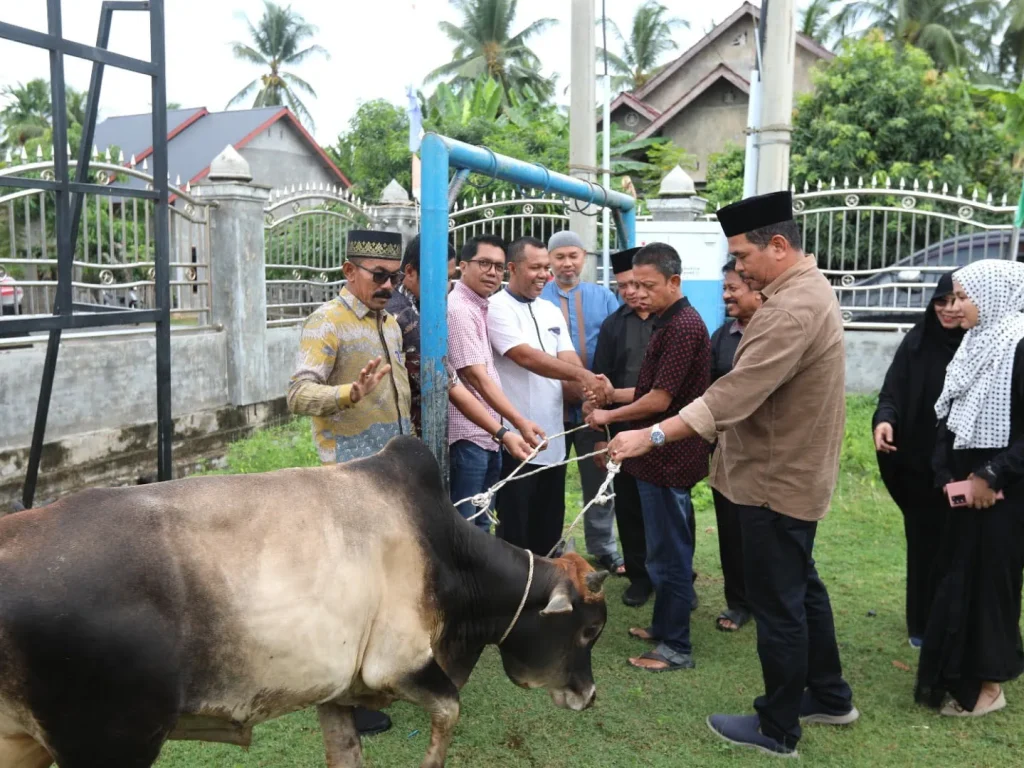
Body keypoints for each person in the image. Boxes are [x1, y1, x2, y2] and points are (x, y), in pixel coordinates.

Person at [606, 191, 857, 758]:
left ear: (778, 245)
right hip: (787, 474)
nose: (737, 269)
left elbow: (733, 394)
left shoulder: (789, 309)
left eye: (742, 256)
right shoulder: (804, 291)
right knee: (802, 589)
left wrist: (650, 435)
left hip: (774, 481)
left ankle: (777, 728)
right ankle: (830, 696)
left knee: (779, 604)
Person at [286, 228, 412, 738]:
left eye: (394, 277)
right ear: (348, 271)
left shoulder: (391, 324)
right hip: (347, 481)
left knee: (383, 583)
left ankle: (377, 675)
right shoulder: (327, 322)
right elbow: (297, 395)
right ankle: (344, 698)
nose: (388, 286)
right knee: (352, 590)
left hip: (391, 477)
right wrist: (348, 394)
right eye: (379, 275)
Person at [585, 243, 711, 673]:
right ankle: (663, 628)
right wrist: (611, 396)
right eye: (632, 284)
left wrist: (609, 415)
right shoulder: (666, 322)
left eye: (647, 285)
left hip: (669, 457)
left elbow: (659, 400)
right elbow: (647, 390)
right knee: (659, 550)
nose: (637, 292)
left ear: (674, 282)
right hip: (655, 457)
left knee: (670, 554)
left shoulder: (683, 327)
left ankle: (676, 646)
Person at [918, 258, 1024, 718]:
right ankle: (954, 676)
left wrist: (991, 475)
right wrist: (947, 474)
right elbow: (951, 415)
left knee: (990, 586)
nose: (956, 306)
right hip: (965, 488)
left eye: (964, 297)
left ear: (993, 296)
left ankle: (989, 686)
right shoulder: (975, 342)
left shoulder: (1018, 343)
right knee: (957, 576)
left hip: (1004, 492)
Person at [488, 236, 600, 556]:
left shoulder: (549, 309)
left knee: (549, 527)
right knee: (515, 532)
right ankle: (517, 587)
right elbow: (524, 356)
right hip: (516, 439)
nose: (543, 275)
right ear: (512, 268)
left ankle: (547, 582)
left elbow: (567, 357)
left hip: (553, 436)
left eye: (545, 268)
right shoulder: (496, 308)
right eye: (535, 267)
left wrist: (589, 389)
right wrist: (582, 376)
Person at [872, 272, 965, 649]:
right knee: (925, 541)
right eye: (940, 301)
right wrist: (884, 420)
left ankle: (957, 621)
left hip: (964, 468)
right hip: (919, 467)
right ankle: (922, 624)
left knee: (960, 540)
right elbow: (892, 392)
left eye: (955, 301)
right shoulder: (917, 341)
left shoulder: (982, 344)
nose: (948, 309)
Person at [448, 234, 545, 532]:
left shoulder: (479, 306)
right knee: (467, 529)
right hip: (468, 437)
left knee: (482, 523)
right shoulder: (459, 310)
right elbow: (476, 378)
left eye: (499, 266)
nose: (492, 272)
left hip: (486, 436)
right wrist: (517, 423)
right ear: (463, 266)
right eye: (484, 263)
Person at [542, 231, 625, 575]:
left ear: (584, 257)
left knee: (600, 478)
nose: (567, 264)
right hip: (550, 407)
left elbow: (616, 344)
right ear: (549, 260)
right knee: (547, 480)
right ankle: (549, 544)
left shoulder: (602, 297)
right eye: (559, 257)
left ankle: (604, 547)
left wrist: (601, 395)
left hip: (596, 407)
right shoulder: (538, 297)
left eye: (573, 256)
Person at [589, 247, 657, 606]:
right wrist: (602, 438)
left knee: (673, 508)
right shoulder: (614, 325)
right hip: (622, 429)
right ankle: (639, 577)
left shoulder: (673, 320)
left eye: (635, 284)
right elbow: (601, 386)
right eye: (622, 287)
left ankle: (677, 576)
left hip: (668, 429)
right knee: (629, 505)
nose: (630, 292)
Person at [709, 260, 763, 633]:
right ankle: (739, 602)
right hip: (728, 450)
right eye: (724, 289)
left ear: (757, 291)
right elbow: (710, 390)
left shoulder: (774, 333)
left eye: (733, 288)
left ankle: (768, 599)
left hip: (767, 451)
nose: (726, 296)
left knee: (765, 532)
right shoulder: (722, 336)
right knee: (731, 529)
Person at [385, 234, 459, 436]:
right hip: (406, 433)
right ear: (410, 272)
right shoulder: (401, 314)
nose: (446, 287)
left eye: (449, 278)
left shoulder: (423, 304)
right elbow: (444, 381)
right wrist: (501, 432)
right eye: (439, 278)